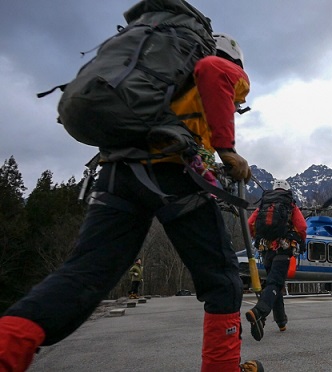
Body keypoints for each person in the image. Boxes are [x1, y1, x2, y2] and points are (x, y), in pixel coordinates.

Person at [0, 34, 264, 372]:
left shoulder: (159, 73)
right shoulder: (220, 65)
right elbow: (215, 70)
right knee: (223, 279)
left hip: (117, 171)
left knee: (85, 274)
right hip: (171, 170)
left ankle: (8, 346)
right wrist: (226, 147)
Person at [245, 180, 307, 341]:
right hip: (282, 250)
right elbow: (302, 227)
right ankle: (259, 312)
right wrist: (301, 240)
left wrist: (257, 238)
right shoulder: (290, 205)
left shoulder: (263, 204)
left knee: (275, 283)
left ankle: (281, 322)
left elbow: (250, 223)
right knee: (275, 283)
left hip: (266, 251)